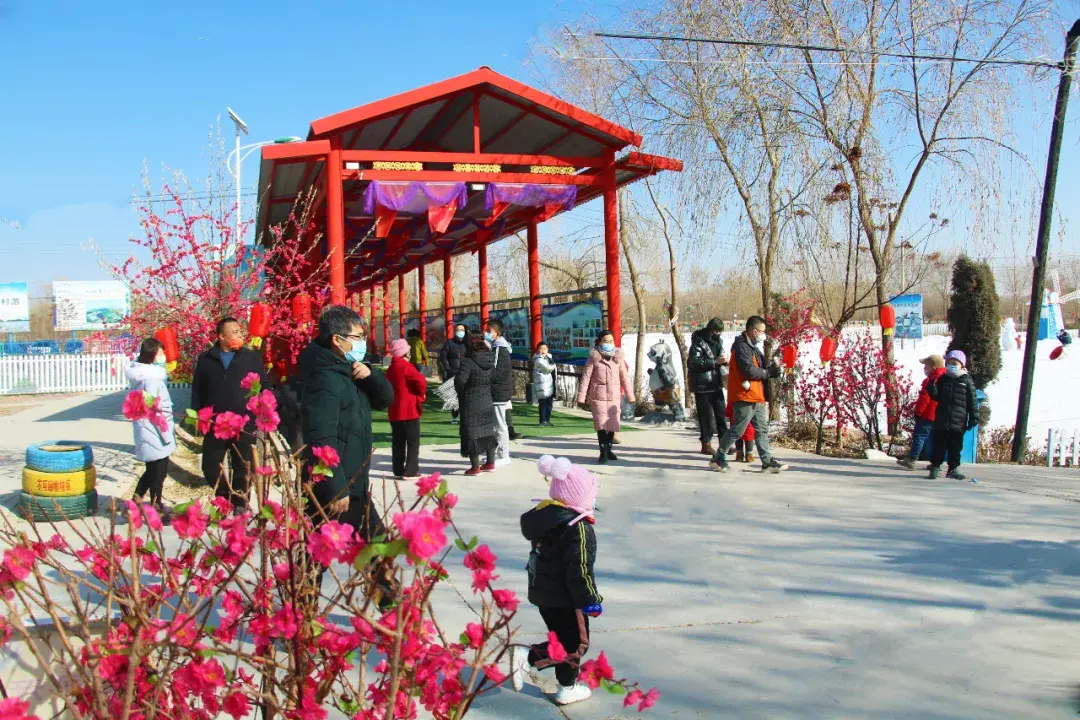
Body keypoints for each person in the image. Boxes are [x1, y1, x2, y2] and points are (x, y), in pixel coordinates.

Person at [509, 455, 602, 707]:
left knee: (562, 638)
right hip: (567, 597)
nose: (594, 500)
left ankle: (566, 687)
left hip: (543, 593)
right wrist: (590, 599)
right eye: (592, 494)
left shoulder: (546, 519)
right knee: (576, 644)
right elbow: (579, 569)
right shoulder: (578, 528)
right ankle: (528, 657)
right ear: (579, 498)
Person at [297, 305, 394, 536]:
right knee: (315, 557)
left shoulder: (350, 369)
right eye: (357, 337)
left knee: (375, 554)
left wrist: (371, 377)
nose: (362, 342)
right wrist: (337, 488)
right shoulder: (325, 378)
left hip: (353, 480)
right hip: (337, 485)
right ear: (337, 340)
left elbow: (385, 399)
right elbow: (321, 435)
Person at [191, 317, 269, 509]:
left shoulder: (250, 357)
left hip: (244, 423)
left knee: (243, 466)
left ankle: (240, 502)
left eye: (239, 331)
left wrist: (260, 413)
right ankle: (224, 497)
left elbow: (264, 387)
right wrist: (199, 417)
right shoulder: (206, 359)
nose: (239, 335)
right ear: (221, 337)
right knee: (210, 466)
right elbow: (198, 390)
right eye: (234, 332)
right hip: (216, 424)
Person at [709, 316, 787, 473]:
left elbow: (760, 368)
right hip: (744, 395)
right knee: (738, 429)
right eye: (762, 332)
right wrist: (767, 372)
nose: (763, 335)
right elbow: (748, 370)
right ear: (754, 331)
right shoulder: (741, 347)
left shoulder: (753, 348)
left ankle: (766, 461)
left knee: (762, 429)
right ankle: (718, 457)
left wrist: (772, 369)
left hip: (755, 394)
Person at [126, 337, 176, 514]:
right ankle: (153, 504)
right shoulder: (151, 379)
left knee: (152, 471)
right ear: (153, 355)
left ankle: (139, 501)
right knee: (158, 472)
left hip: (148, 430)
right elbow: (154, 409)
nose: (163, 356)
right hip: (154, 431)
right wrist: (166, 434)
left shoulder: (144, 376)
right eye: (161, 353)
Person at [576, 330, 635, 464]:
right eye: (605, 341)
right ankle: (603, 452)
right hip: (598, 396)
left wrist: (630, 396)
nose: (608, 344)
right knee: (602, 426)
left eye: (611, 341)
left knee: (612, 426)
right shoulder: (594, 357)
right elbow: (586, 378)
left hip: (614, 397)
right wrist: (581, 397)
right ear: (599, 342)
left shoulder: (618, 358)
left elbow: (625, 378)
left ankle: (609, 450)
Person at [926, 349, 978, 480]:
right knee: (939, 445)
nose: (951, 366)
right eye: (949, 363)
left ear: (962, 365)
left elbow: (972, 401)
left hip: (958, 420)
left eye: (955, 363)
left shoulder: (967, 380)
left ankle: (953, 468)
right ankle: (935, 467)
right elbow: (936, 397)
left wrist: (974, 417)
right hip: (942, 419)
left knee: (955, 446)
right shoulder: (943, 379)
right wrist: (932, 388)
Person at [455, 330, 498, 475]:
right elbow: (494, 378)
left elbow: (460, 380)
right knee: (487, 430)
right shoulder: (490, 358)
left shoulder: (468, 361)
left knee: (472, 432)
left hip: (471, 400)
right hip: (487, 398)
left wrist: (462, 390)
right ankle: (490, 462)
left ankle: (475, 467)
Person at [386, 338, 427, 479]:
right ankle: (410, 471)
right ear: (405, 352)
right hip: (409, 410)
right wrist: (420, 393)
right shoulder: (407, 367)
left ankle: (398, 469)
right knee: (412, 442)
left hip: (395, 411)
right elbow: (421, 381)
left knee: (398, 442)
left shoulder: (391, 368)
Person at [688, 318, 729, 455]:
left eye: (720, 331)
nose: (718, 334)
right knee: (706, 416)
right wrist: (715, 362)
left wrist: (724, 362)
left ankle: (724, 443)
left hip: (716, 382)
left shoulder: (718, 342)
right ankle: (706, 443)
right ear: (710, 329)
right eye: (716, 331)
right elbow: (694, 362)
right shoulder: (698, 342)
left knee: (721, 414)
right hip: (703, 384)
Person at [897, 355, 946, 470]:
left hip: (928, 414)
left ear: (933, 367)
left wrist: (918, 412)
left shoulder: (930, 380)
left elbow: (925, 399)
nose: (924, 368)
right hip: (941, 415)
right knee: (936, 439)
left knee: (919, 436)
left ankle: (912, 459)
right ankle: (936, 463)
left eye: (926, 365)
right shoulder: (946, 378)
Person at [486, 318, 515, 466]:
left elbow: (497, 372)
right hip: (497, 392)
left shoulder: (499, 349)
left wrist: (486, 382)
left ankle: (504, 455)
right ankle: (496, 453)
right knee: (494, 425)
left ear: (497, 333)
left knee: (500, 425)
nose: (486, 333)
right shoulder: (495, 347)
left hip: (498, 393)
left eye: (489, 331)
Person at [439, 324, 467, 423]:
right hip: (453, 372)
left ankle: (465, 416)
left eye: (462, 330)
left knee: (466, 395)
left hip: (466, 372)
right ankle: (455, 416)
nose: (461, 332)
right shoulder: (449, 343)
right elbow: (443, 356)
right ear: (455, 331)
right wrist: (448, 368)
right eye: (459, 330)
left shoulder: (468, 343)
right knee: (454, 396)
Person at [532, 341, 558, 427]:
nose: (542, 350)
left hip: (549, 384)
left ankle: (548, 420)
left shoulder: (548, 358)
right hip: (541, 385)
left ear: (547, 349)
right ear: (537, 350)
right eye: (540, 348)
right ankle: (542, 420)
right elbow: (547, 368)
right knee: (542, 403)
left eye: (544, 348)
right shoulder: (538, 359)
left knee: (549, 403)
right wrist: (553, 365)